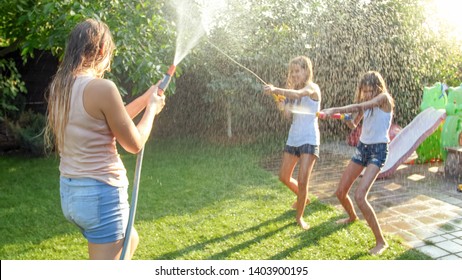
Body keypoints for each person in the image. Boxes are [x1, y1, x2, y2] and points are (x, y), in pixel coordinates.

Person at [44, 19, 165, 260]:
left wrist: (145, 98)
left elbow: (108, 123)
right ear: (101, 50)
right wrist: (152, 109)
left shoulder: (61, 86)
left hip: (71, 193)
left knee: (131, 238)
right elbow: (134, 144)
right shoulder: (102, 88)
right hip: (100, 195)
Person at [320, 71, 394, 255]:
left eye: (371, 90)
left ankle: (381, 242)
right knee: (340, 192)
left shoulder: (383, 99)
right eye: (365, 91)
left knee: (360, 196)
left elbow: (361, 105)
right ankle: (352, 217)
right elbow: (354, 125)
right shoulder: (365, 106)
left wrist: (334, 109)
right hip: (363, 148)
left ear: (378, 88)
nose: (368, 94)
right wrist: (342, 119)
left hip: (378, 150)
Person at [263, 56, 321, 230]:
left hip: (309, 138)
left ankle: (300, 218)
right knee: (283, 177)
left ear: (306, 71)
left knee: (303, 180)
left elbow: (298, 94)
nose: (294, 74)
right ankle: (304, 197)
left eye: (298, 71)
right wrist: (280, 103)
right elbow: (287, 115)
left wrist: (274, 89)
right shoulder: (291, 93)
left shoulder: (312, 88)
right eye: (292, 71)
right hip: (294, 138)